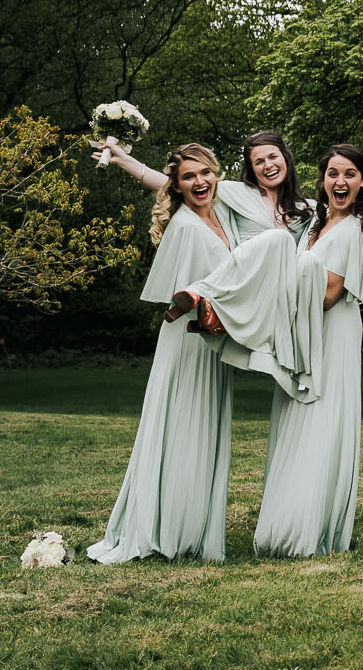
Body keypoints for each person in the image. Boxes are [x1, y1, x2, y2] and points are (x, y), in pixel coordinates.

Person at [169, 144, 363, 556]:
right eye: (332, 174)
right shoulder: (315, 223)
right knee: (291, 423)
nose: (340, 182)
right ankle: (210, 300)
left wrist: (274, 295)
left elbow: (327, 296)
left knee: (319, 425)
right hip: (301, 330)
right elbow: (175, 183)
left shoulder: (357, 227)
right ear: (322, 179)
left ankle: (305, 530)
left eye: (349, 174)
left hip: (330, 333)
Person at [86, 141, 271, 563]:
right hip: (188, 340)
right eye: (188, 177)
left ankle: (192, 532)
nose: (199, 182)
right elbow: (180, 298)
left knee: (206, 432)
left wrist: (121, 155)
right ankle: (160, 531)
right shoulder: (185, 227)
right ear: (179, 186)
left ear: (215, 173)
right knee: (180, 428)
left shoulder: (224, 211)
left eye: (204, 172)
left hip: (214, 343)